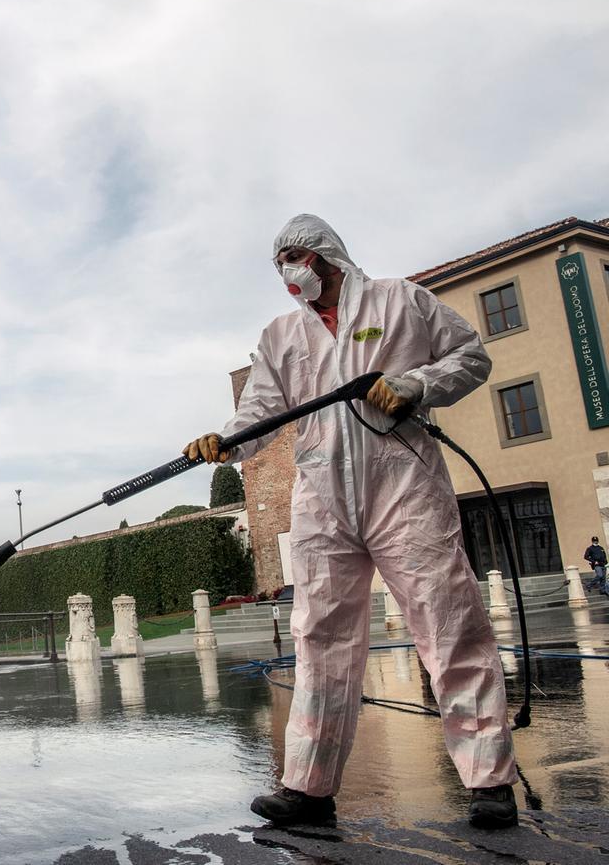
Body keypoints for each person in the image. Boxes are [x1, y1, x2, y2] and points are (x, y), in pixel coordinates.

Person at [185, 214, 518, 829]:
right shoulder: (282, 335)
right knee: (320, 638)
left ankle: (489, 781)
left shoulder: (402, 302)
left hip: (404, 487)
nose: (288, 270)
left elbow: (471, 357)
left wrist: (416, 384)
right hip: (321, 498)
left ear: (324, 254)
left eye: (295, 256)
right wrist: (225, 443)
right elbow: (259, 410)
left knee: (449, 626)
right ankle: (308, 789)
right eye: (279, 260)